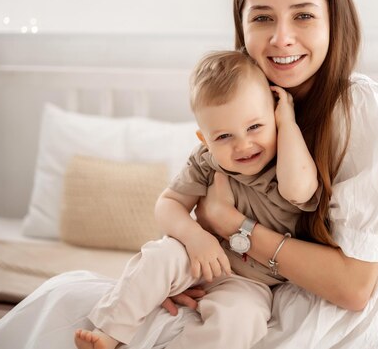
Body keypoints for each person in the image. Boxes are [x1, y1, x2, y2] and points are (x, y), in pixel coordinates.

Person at [0, 0, 378, 349]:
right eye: (262, 18)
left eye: (304, 15)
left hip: (304, 322)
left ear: (336, 20)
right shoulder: (246, 108)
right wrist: (187, 261)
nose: (281, 37)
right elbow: (176, 208)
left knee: (62, 303)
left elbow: (354, 288)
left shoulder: (363, 111)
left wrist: (231, 226)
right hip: (214, 280)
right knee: (61, 296)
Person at [74, 50, 320, 349]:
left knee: (242, 321)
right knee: (160, 256)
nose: (243, 145)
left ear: (275, 117)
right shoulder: (206, 162)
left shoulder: (288, 162)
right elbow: (168, 204)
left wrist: (288, 123)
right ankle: (110, 331)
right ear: (204, 139)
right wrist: (194, 238)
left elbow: (299, 190)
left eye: (255, 127)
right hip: (195, 258)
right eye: (223, 137)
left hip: (250, 282)